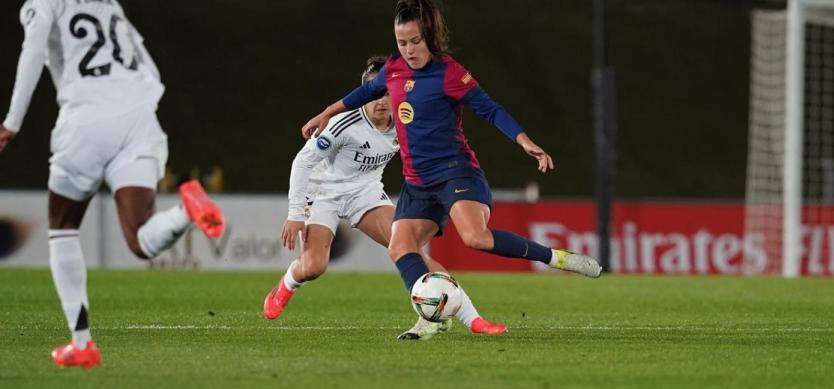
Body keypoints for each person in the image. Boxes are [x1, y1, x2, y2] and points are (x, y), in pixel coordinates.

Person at [301, 0, 601, 308]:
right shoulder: (393, 69)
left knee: (476, 239)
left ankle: (556, 258)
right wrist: (326, 113)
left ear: (429, 36)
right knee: (400, 247)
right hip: (417, 182)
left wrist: (523, 140)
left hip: (453, 171)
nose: (408, 50)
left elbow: (490, 109)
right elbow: (365, 93)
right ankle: (429, 314)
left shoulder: (450, 74)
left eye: (415, 41)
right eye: (401, 42)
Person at [0, 0, 224, 369]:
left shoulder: (42, 4)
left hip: (86, 120)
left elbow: (33, 49)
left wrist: (13, 121)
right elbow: (145, 60)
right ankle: (186, 209)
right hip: (139, 119)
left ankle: (82, 342)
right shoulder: (109, 4)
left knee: (63, 226)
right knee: (140, 239)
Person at [265, 56, 506, 340]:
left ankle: (473, 319)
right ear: (364, 93)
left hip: (366, 194)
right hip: (323, 195)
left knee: (411, 248)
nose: (380, 102)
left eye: (386, 94)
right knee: (313, 267)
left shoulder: (405, 121)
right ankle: (287, 284)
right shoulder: (344, 124)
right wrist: (296, 213)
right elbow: (302, 163)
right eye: (374, 94)